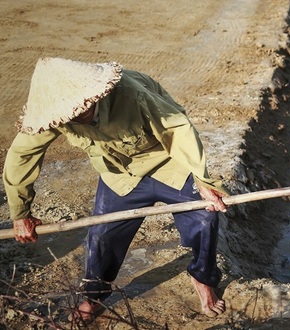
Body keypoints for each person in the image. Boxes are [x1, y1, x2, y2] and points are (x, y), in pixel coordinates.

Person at [2, 57, 230, 322]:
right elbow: (22, 156)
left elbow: (178, 130)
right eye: (71, 112)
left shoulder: (131, 93)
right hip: (120, 174)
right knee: (103, 236)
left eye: (84, 105)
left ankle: (203, 278)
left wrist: (203, 181)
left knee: (205, 217)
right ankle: (93, 297)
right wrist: (20, 213)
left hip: (167, 160)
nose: (79, 113)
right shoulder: (53, 113)